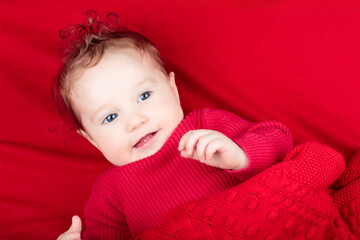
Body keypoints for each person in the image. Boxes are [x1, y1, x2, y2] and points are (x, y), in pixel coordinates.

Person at [55, 11, 293, 239]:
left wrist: (241, 155)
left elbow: (279, 139)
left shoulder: (204, 125)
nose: (136, 121)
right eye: (110, 118)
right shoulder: (110, 192)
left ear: (173, 90)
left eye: (144, 96)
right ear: (92, 140)